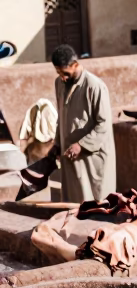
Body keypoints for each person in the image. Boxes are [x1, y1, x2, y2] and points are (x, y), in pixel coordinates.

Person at [50, 45, 116, 202]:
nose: (63, 77)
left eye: (65, 73)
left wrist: (81, 145)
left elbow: (104, 124)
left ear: (75, 65)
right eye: (59, 73)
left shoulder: (95, 86)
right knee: (73, 202)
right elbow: (62, 116)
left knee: (94, 202)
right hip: (70, 156)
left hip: (92, 158)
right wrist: (57, 143)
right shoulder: (59, 84)